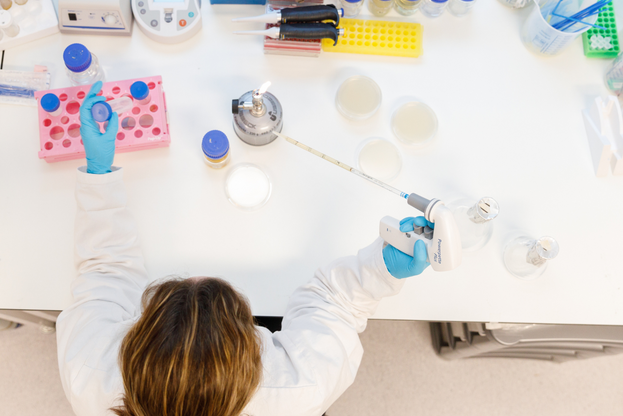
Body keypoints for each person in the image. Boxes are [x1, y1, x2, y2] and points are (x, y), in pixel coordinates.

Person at [56, 81, 434, 416]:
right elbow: (335, 308)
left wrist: (99, 174)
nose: (197, 276)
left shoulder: (90, 371)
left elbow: (103, 271)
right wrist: (381, 270)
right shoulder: (296, 389)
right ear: (254, 360)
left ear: (130, 347)